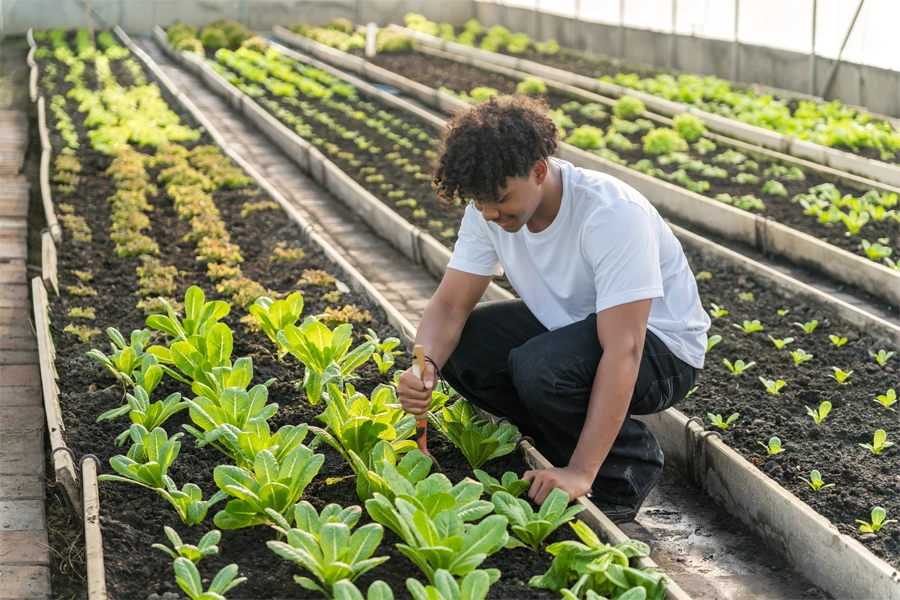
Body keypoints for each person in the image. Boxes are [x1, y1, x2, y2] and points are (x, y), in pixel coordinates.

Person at [396, 94, 710, 522]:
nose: (489, 213)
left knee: (541, 368)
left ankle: (623, 468)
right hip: (575, 328)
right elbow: (450, 305)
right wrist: (424, 364)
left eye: (500, 199)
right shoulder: (486, 211)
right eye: (478, 201)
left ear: (539, 170)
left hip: (661, 349)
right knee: (465, 346)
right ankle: (558, 441)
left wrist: (583, 470)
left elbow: (625, 349)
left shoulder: (611, 214)